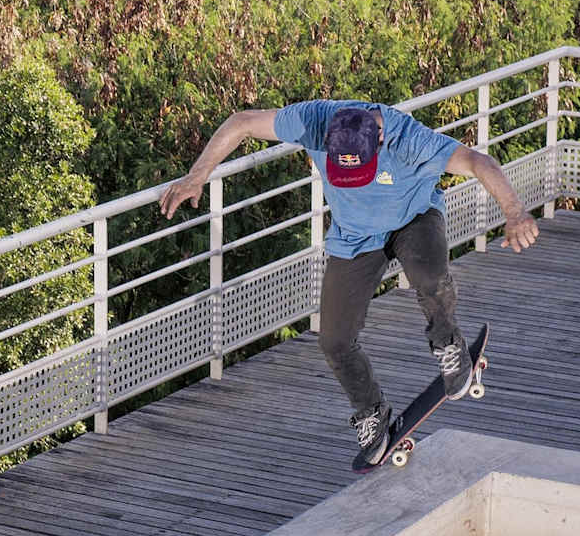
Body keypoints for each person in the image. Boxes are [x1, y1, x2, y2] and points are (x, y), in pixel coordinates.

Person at [159, 100, 540, 466]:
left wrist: (515, 212)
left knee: (428, 276)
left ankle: (447, 343)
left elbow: (478, 161)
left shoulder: (408, 138)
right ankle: (371, 410)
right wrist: (198, 175)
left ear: (378, 139)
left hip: (413, 219)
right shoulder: (314, 120)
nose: (353, 184)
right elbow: (241, 122)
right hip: (355, 237)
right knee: (334, 339)